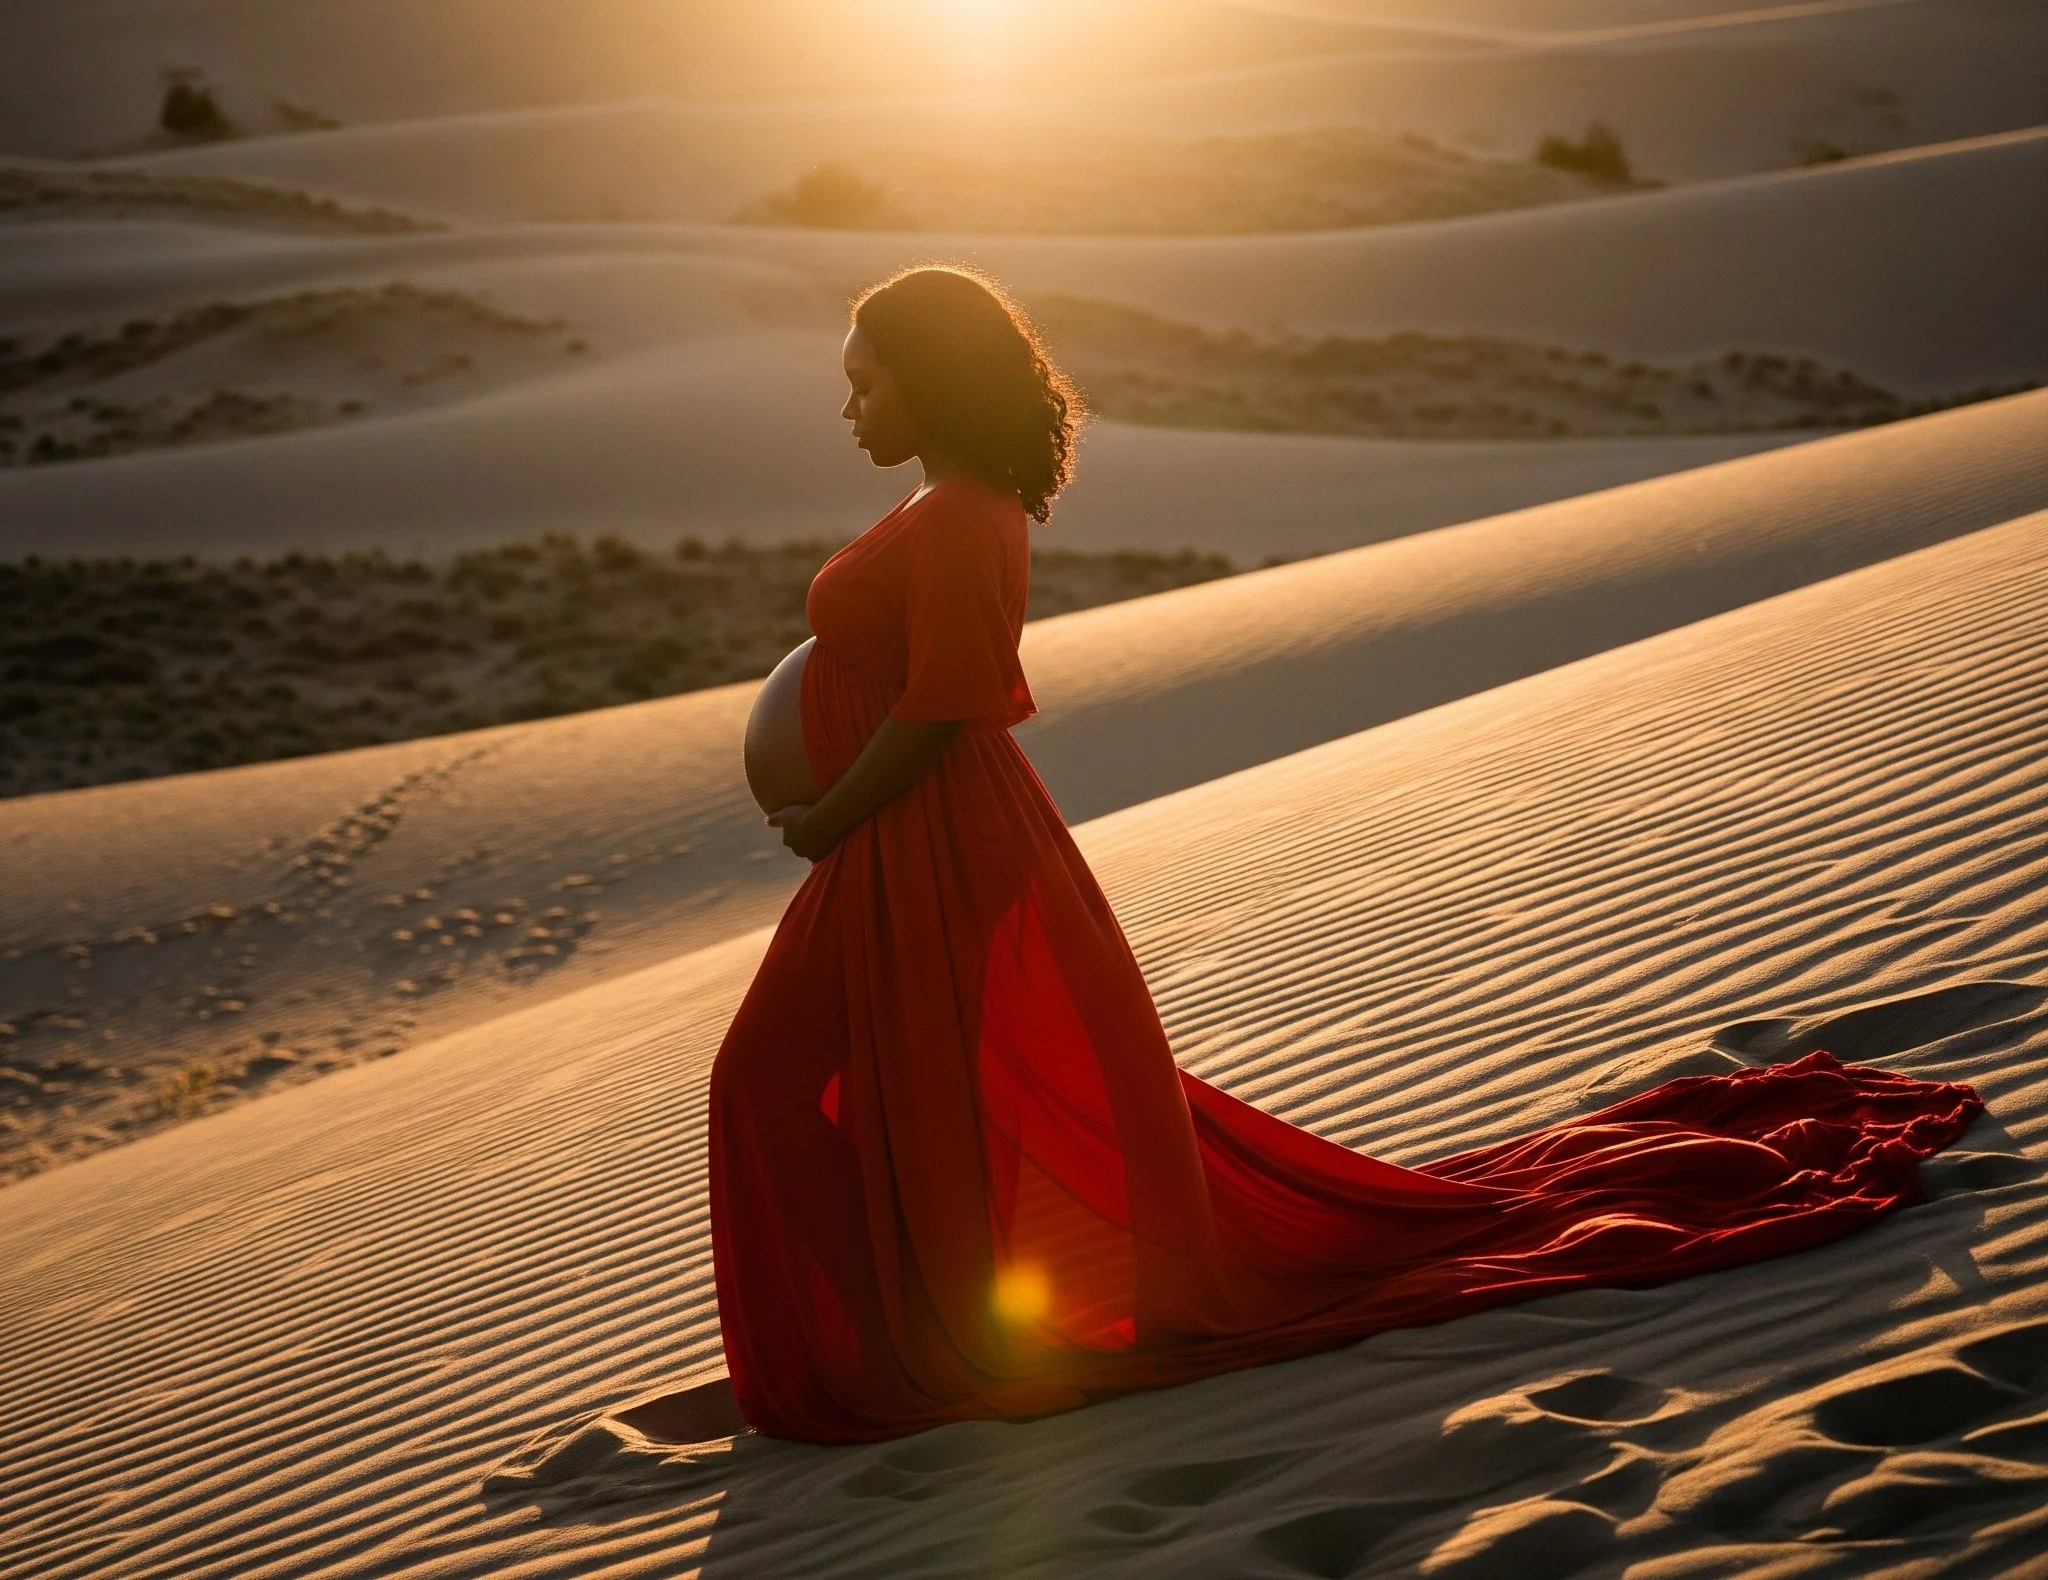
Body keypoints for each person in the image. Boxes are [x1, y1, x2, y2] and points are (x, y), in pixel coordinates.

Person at [689, 263, 1978, 1446]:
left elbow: (948, 699)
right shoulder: (937, 504)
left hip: (924, 838)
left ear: (931, 377)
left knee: (782, 1078)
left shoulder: (967, 514)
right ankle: (902, 1333)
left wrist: (832, 812)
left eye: (867, 380)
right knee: (873, 1084)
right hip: (898, 838)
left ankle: (903, 1349)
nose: (848, 407)